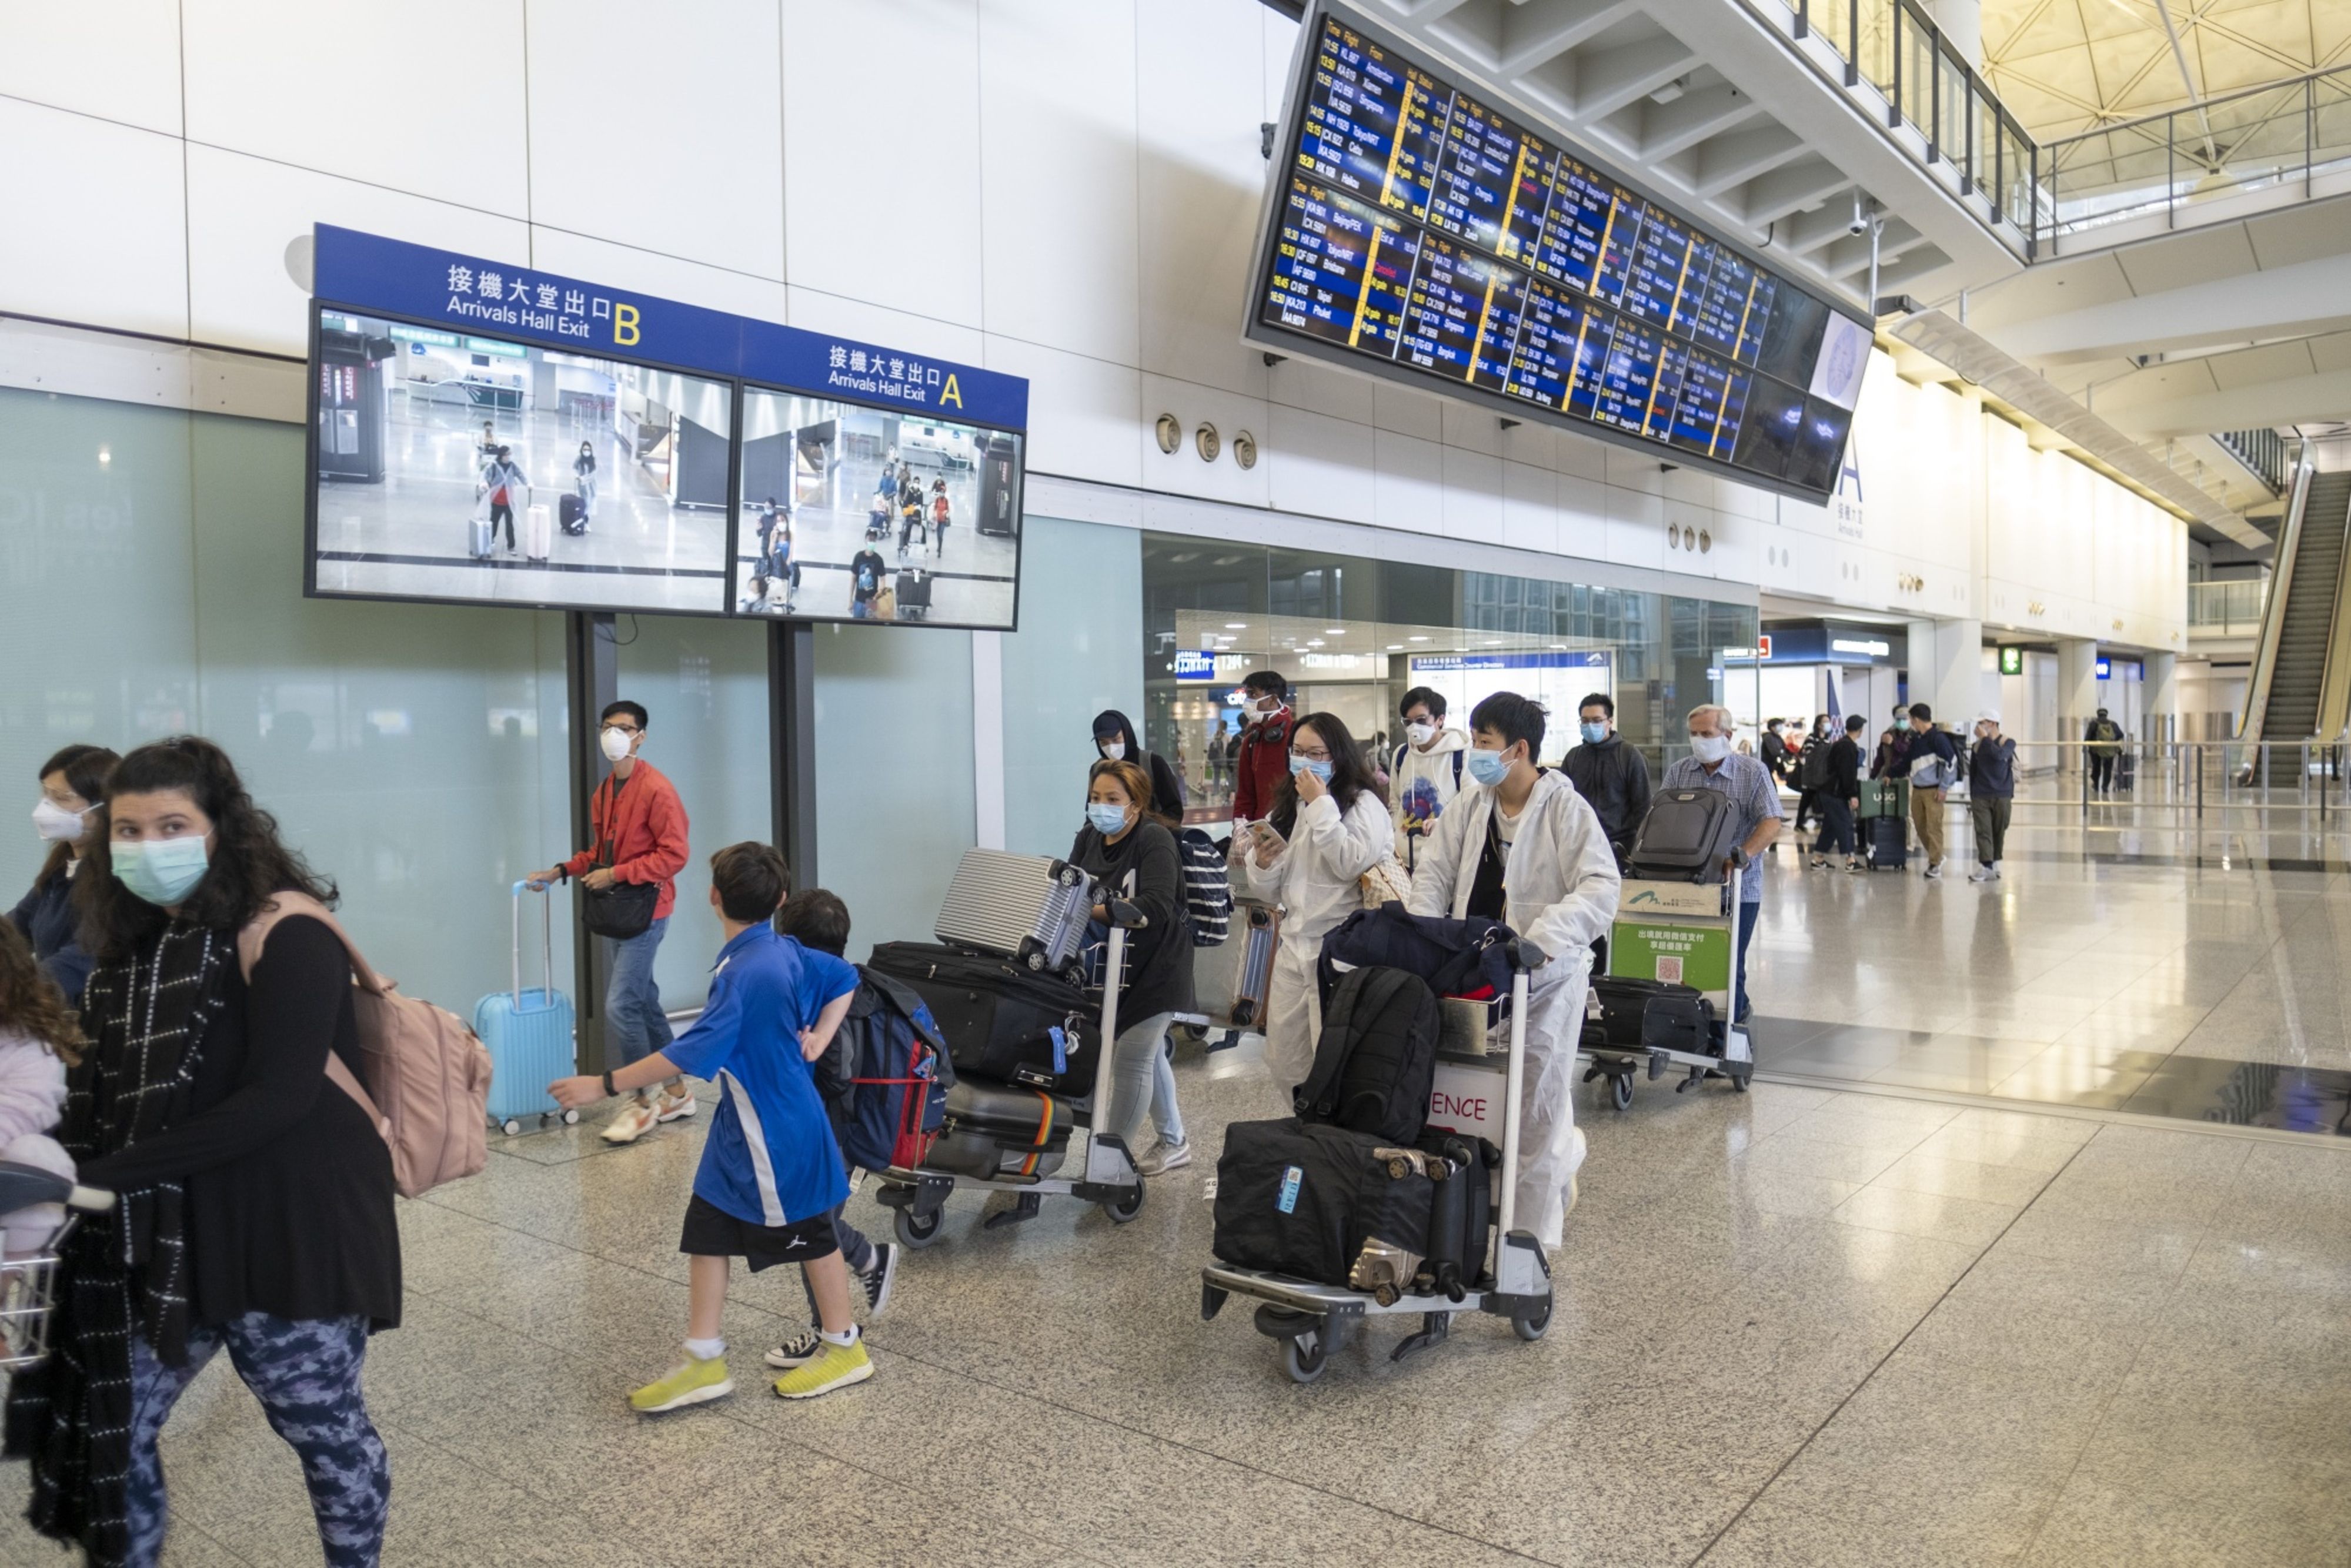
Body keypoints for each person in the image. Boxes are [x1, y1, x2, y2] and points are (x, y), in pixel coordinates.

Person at [5, 737, 398, 1567]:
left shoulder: (289, 931)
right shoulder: (131, 943)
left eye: (172, 825)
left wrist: (87, 1178)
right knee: (113, 1434)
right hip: (164, 1232)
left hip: (287, 1230)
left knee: (322, 1431)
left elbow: (277, 1098)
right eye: (130, 830)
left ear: (222, 827)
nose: (149, 846)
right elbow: (95, 1081)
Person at [550, 842, 871, 1409]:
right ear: (780, 900)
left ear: (712, 897)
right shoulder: (780, 949)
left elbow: (688, 1052)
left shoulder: (748, 973)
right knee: (707, 1229)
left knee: (812, 1234)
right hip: (745, 1128)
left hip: (775, 1133)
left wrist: (603, 1084)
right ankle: (703, 1359)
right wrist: (821, 1034)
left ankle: (844, 1347)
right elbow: (844, 976)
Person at [1405, 691, 1617, 1248]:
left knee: (1536, 1104)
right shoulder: (1471, 805)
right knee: (1472, 1094)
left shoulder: (1564, 808)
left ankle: (1528, 1242)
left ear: (1519, 749)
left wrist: (1541, 940)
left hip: (1545, 978)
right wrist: (1424, 933)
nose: (1476, 751)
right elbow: (1434, 874)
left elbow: (1601, 887)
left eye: (1484, 741)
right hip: (1473, 973)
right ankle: (1472, 1214)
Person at [527, 701, 693, 1144]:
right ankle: (677, 1092)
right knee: (644, 1001)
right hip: (619, 910)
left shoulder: (657, 789)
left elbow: (675, 855)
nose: (613, 735)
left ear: (641, 737)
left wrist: (617, 874)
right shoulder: (605, 791)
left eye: (623, 727)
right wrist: (560, 871)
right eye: (607, 727)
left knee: (621, 1005)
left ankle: (639, 1100)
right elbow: (600, 853)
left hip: (647, 910)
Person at [769, 888, 905, 1372]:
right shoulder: (837, 981)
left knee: (813, 1225)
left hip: (834, 1129)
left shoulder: (829, 992)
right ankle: (836, 1316)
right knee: (808, 1224)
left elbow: (837, 1072)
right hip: (833, 1126)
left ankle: (861, 1273)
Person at [1238, 712, 1392, 1104]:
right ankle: (1302, 1125)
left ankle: (1332, 1133)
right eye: (1298, 751)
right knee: (1285, 1059)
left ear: (1337, 756)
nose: (1305, 761)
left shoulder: (1362, 803)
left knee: (1337, 1059)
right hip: (1294, 946)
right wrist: (1264, 862)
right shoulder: (1287, 806)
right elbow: (1269, 891)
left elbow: (1351, 862)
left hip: (1344, 949)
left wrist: (1321, 804)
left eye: (1316, 753)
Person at [1069, 759, 1194, 1174]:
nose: (1101, 806)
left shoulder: (1154, 839)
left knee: (1131, 1060)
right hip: (1112, 965)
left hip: (1159, 966)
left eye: (1112, 799)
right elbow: (1071, 891)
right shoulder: (1089, 837)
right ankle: (1175, 1141)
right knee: (1148, 1055)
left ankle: (1109, 1165)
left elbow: (1156, 906)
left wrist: (1096, 910)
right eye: (1095, 797)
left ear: (1136, 804)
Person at [1660, 705, 1781, 1019]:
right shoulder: (1679, 772)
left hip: (1738, 887)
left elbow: (1771, 821)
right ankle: (1695, 1024)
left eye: (1706, 733)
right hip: (1689, 887)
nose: (1699, 740)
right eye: (1694, 734)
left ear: (1727, 735)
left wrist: (1743, 855)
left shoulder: (1752, 772)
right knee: (1693, 957)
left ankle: (1730, 1030)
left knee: (1729, 962)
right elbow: (1661, 818)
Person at [11, 743, 118, 1006]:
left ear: (103, 807)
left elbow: (78, 961)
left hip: (90, 1020)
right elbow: (13, 931)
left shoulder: (118, 878)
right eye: (46, 794)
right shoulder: (60, 870)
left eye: (61, 797)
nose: (46, 807)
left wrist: (15, 994)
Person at [0, 920, 78, 1255]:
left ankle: (10, 1270)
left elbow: (20, 1111)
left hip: (8, 1204)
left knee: (36, 1156)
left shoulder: (27, 1047)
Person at [1561, 691, 1651, 865]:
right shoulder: (1573, 757)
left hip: (1621, 848)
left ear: (1610, 722)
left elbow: (1643, 807)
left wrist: (1641, 853)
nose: (1590, 725)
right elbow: (1563, 802)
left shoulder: (1628, 755)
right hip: (1581, 846)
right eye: (1585, 721)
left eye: (1596, 720)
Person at [1390, 686, 1470, 872]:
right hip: (1404, 860)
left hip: (1444, 861)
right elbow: (1395, 801)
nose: (1414, 727)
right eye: (1408, 722)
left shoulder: (1461, 756)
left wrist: (1441, 824)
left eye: (1421, 720)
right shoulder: (1401, 755)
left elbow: (1469, 807)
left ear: (1440, 720)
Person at [1228, 671, 1295, 833]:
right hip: (1261, 830)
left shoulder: (1296, 736)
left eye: (1253, 694)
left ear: (1272, 699)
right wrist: (1240, 826)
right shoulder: (1252, 741)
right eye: (1247, 695)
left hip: (1293, 828)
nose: (1247, 701)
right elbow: (1245, 793)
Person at [1902, 704, 1962, 880]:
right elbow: (1907, 761)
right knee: (1921, 827)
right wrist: (1891, 773)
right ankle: (1938, 856)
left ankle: (1935, 863)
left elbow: (1951, 763)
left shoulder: (1938, 739)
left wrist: (1943, 788)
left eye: (1911, 720)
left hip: (1933, 790)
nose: (1910, 723)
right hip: (1918, 789)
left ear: (1917, 720)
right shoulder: (1917, 739)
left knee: (1933, 827)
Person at [1091, 710, 1185, 821]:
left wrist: (1154, 830)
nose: (1111, 747)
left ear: (1127, 734)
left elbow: (1174, 810)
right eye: (1103, 743)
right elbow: (1092, 810)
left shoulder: (1153, 763)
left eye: (1116, 739)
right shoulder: (1098, 769)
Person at [1812, 714, 1868, 872]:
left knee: (1830, 827)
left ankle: (1818, 859)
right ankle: (1851, 861)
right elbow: (1847, 774)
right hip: (1835, 794)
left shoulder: (1839, 744)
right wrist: (1852, 795)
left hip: (1828, 791)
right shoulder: (1848, 747)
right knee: (1846, 825)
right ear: (1860, 730)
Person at [1968, 711, 2018, 882]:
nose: (1979, 727)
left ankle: (1994, 862)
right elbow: (1973, 771)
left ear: (1993, 723)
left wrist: (1986, 739)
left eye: (1983, 723)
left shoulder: (2008, 742)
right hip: (1981, 794)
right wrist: (1973, 794)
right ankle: (1986, 865)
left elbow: (1999, 756)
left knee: (1999, 830)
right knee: (1983, 831)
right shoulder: (1977, 746)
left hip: (2002, 794)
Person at [477, 444, 529, 554]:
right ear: (502, 455)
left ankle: (511, 546)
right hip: (497, 500)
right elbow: (486, 476)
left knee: (509, 524)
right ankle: (489, 541)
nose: (509, 456)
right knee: (494, 522)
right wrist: (484, 483)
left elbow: (521, 475)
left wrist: (527, 483)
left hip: (509, 501)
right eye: (507, 454)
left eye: (510, 454)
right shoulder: (494, 466)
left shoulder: (513, 466)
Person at [1792, 714, 1831, 836]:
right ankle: (1799, 823)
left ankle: (1820, 822)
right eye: (1825, 722)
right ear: (1819, 725)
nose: (1828, 724)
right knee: (1807, 799)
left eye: (1829, 721)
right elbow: (1811, 755)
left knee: (1820, 799)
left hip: (1822, 775)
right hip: (1811, 775)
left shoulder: (1827, 739)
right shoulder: (1811, 738)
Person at [2085, 707, 2123, 794]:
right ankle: (2105, 787)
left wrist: (2089, 746)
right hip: (2110, 749)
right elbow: (2120, 735)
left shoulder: (2093, 724)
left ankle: (2096, 786)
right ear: (2106, 715)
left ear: (2098, 714)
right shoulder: (2113, 724)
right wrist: (2112, 741)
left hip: (2096, 750)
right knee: (2108, 769)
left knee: (2096, 768)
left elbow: (2088, 738)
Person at [850, 544, 888, 618]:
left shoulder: (878, 559)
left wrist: (880, 592)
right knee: (856, 624)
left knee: (871, 624)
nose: (871, 542)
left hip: (872, 601)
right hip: (859, 601)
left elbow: (882, 579)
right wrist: (850, 601)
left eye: (874, 540)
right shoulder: (859, 557)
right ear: (866, 540)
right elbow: (853, 579)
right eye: (870, 539)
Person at [1758, 718, 1789, 785]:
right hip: (1767, 765)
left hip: (1773, 765)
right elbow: (1775, 752)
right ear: (1772, 727)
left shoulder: (1778, 738)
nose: (1781, 727)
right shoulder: (1768, 737)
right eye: (1779, 725)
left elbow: (1784, 749)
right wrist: (1781, 753)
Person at [572, 439, 596, 523]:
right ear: (582, 450)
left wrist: (585, 479)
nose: (587, 451)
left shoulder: (593, 460)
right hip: (582, 486)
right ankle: (583, 521)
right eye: (585, 449)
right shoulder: (579, 459)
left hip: (591, 485)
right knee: (585, 502)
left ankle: (585, 521)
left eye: (588, 450)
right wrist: (578, 476)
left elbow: (594, 473)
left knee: (590, 503)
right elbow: (574, 468)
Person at [930, 477, 951, 557]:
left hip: (943, 520)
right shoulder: (937, 500)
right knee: (938, 535)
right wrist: (933, 516)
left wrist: (946, 512)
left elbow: (948, 509)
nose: (942, 494)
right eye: (941, 492)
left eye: (943, 492)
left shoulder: (946, 501)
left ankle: (939, 548)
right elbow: (935, 508)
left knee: (941, 535)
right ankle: (939, 546)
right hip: (937, 520)